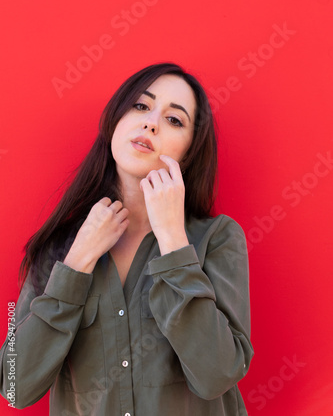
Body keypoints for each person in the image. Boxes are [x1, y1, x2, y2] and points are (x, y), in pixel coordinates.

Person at [0, 62, 254, 415]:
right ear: (114, 121)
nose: (151, 122)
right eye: (140, 106)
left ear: (189, 150)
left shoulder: (218, 238)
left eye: (174, 119)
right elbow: (15, 387)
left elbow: (218, 374)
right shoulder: (60, 247)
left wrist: (172, 240)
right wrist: (76, 265)